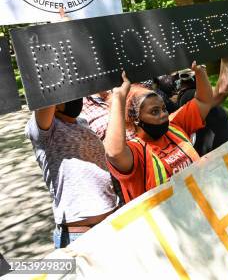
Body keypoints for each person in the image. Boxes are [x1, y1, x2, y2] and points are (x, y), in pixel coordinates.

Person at [103, 63, 213, 203]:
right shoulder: (136, 152)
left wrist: (199, 72)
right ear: (136, 119)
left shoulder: (175, 126)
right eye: (154, 111)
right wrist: (119, 97)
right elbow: (114, 153)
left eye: (163, 108)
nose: (163, 115)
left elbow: (204, 101)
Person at [25, 98, 119, 247]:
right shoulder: (43, 130)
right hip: (80, 236)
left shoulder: (82, 122)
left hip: (113, 222)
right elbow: (47, 91)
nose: (74, 97)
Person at [176, 58, 228, 155]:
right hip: (222, 157)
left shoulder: (191, 94)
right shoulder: (188, 96)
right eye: (202, 68)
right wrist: (226, 60)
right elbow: (221, 91)